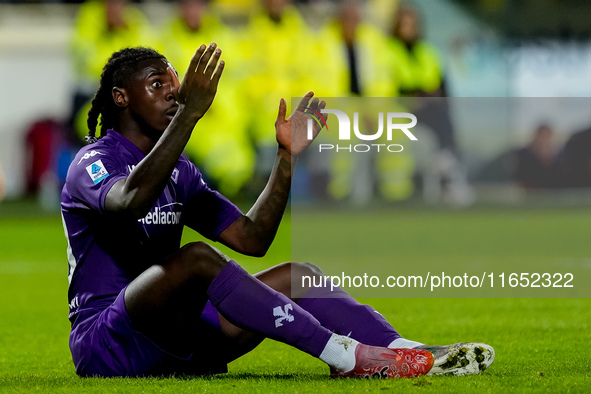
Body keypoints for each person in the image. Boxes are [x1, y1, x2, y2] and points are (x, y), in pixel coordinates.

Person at [60, 44, 495, 378]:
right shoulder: (93, 162)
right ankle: (345, 357)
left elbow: (252, 238)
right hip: (109, 342)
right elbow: (126, 203)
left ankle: (409, 351)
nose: (173, 95)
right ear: (120, 97)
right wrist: (190, 115)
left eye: (176, 88)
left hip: (181, 339)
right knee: (194, 258)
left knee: (298, 275)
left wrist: (286, 159)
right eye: (158, 85)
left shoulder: (181, 172)